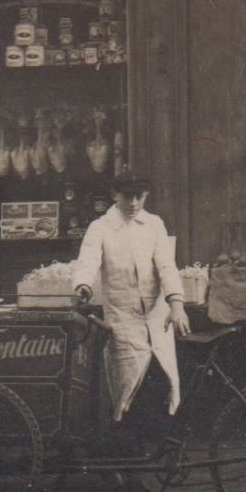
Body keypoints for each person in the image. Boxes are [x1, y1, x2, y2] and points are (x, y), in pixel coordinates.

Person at [72, 173, 191, 445]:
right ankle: (128, 460)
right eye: (128, 196)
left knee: (161, 381)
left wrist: (176, 304)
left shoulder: (154, 225)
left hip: (157, 319)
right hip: (123, 320)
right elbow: (88, 261)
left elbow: (166, 266)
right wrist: (83, 286)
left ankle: (157, 453)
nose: (134, 202)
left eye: (140, 196)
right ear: (115, 195)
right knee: (127, 387)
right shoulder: (100, 228)